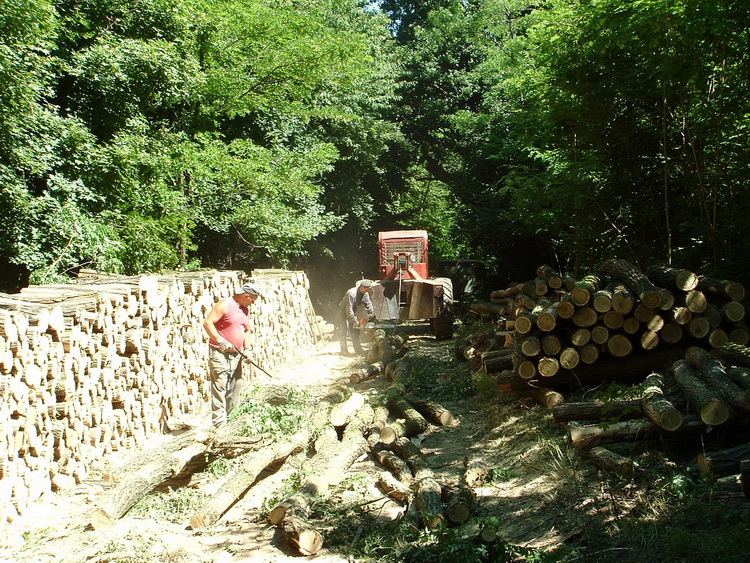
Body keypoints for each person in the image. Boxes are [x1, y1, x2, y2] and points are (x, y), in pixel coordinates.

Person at [202, 281, 262, 427]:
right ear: (245, 295)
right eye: (252, 299)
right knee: (220, 384)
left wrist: (248, 350)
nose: (253, 303)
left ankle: (231, 417)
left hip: (237, 354)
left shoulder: (245, 309)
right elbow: (208, 323)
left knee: (236, 385)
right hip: (219, 352)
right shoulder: (225, 305)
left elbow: (246, 330)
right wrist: (220, 340)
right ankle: (219, 422)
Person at [339, 279, 375, 355]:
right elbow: (349, 309)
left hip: (352, 310)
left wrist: (372, 315)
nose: (366, 290)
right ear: (361, 287)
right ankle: (343, 350)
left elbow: (368, 304)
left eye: (368, 289)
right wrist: (354, 322)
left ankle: (358, 350)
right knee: (343, 329)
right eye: (365, 288)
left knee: (355, 330)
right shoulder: (351, 293)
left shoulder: (365, 293)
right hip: (343, 310)